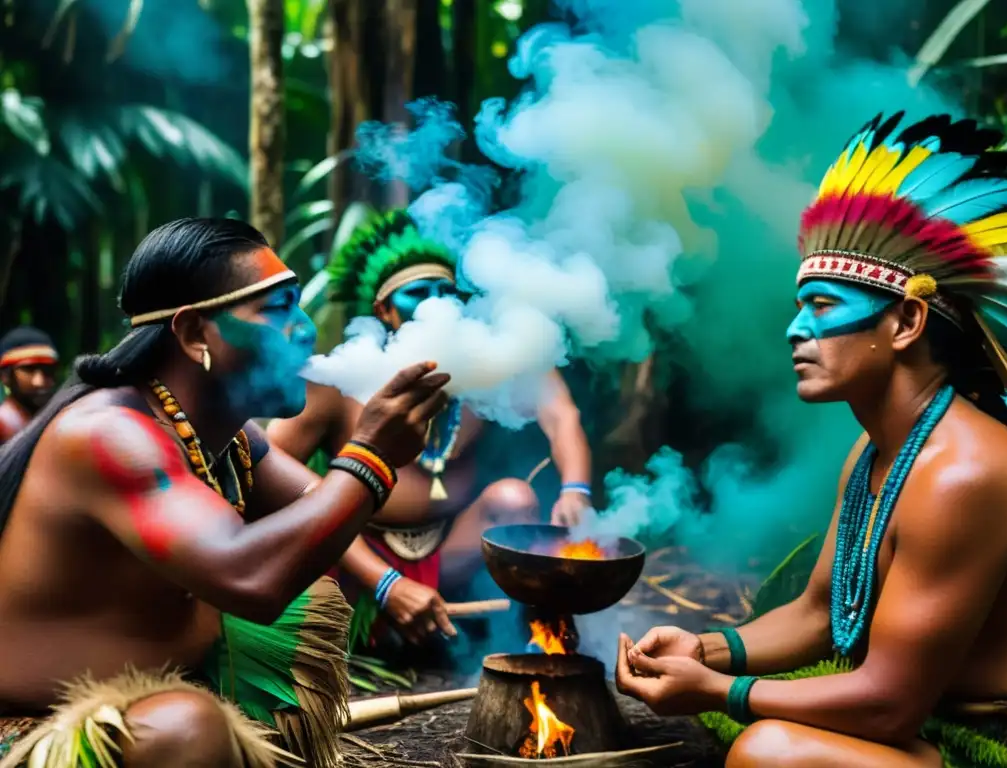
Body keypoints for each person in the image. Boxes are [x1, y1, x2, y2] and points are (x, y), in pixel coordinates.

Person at [614, 111, 1007, 767]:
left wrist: (721, 691)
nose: (795, 330)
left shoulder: (963, 473)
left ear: (906, 322)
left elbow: (890, 703)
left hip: (991, 745)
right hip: (922, 721)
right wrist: (708, 649)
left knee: (767, 750)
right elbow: (815, 614)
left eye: (824, 306)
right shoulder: (877, 450)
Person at [0, 218, 449, 768]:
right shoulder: (108, 435)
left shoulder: (230, 437)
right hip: (34, 730)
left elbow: (320, 512)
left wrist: (374, 480)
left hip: (165, 688)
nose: (305, 329)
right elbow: (251, 580)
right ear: (194, 335)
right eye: (278, 308)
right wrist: (369, 457)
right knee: (189, 730)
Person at [268, 210, 593, 646]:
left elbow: (558, 410)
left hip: (448, 553)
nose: (437, 304)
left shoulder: (481, 370)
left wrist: (576, 490)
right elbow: (269, 475)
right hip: (355, 566)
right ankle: (372, 631)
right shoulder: (337, 383)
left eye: (447, 292)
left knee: (513, 499)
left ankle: (522, 636)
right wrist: (382, 581)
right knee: (322, 516)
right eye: (418, 292)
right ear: (383, 310)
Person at [0, 327, 59, 444]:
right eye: (29, 369)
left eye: (47, 370)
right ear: (5, 376)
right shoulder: (3, 425)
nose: (39, 382)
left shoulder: (56, 421)